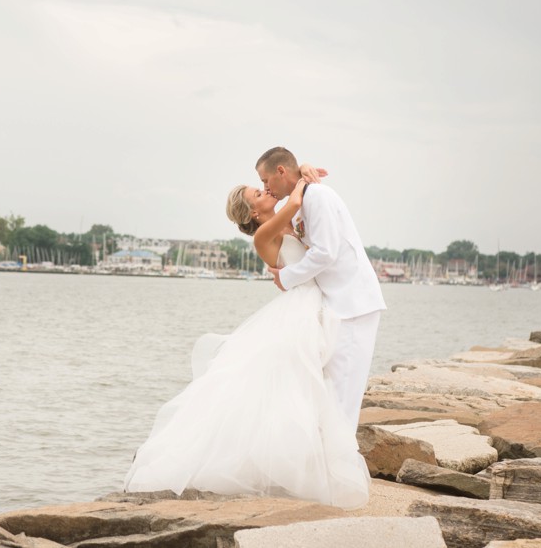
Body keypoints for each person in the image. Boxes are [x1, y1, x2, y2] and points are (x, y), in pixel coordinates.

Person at [123, 167, 370, 509]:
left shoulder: (291, 223)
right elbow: (296, 196)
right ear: (254, 212)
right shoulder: (263, 234)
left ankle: (312, 458)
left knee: (309, 385)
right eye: (259, 193)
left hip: (318, 306)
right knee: (299, 383)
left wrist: (303, 169)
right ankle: (309, 465)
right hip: (300, 311)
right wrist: (300, 174)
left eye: (264, 186)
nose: (266, 191)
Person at [255, 147, 385, 433]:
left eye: (266, 180)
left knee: (343, 394)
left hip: (354, 303)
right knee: (332, 391)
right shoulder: (303, 201)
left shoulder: (318, 197)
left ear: (280, 172)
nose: (265, 188)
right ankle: (329, 462)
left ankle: (339, 466)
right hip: (337, 305)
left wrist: (286, 277)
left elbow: (326, 252)